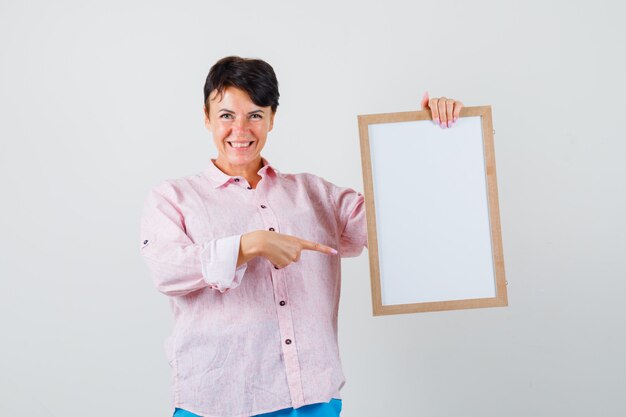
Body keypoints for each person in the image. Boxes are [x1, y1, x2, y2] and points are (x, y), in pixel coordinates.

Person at [139, 56, 464, 417]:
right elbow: (167, 270)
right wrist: (252, 244)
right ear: (206, 117)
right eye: (227, 115)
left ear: (272, 119)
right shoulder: (174, 197)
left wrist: (424, 136)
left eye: (256, 115)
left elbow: (400, 226)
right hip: (216, 401)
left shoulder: (315, 194)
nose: (241, 129)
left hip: (310, 399)